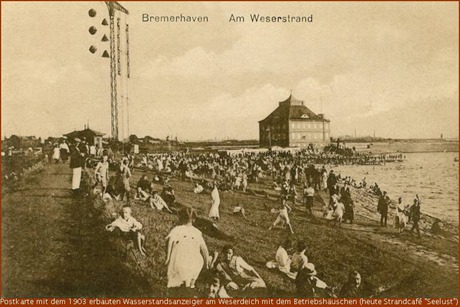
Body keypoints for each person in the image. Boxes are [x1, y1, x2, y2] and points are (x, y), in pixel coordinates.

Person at [165, 207, 209, 295]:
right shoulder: (197, 232)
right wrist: (206, 263)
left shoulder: (177, 229)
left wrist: (168, 256)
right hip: (194, 260)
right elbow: (204, 250)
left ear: (180, 218)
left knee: (179, 277)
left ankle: (182, 290)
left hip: (180, 258)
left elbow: (169, 242)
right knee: (191, 276)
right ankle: (189, 289)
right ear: (194, 220)